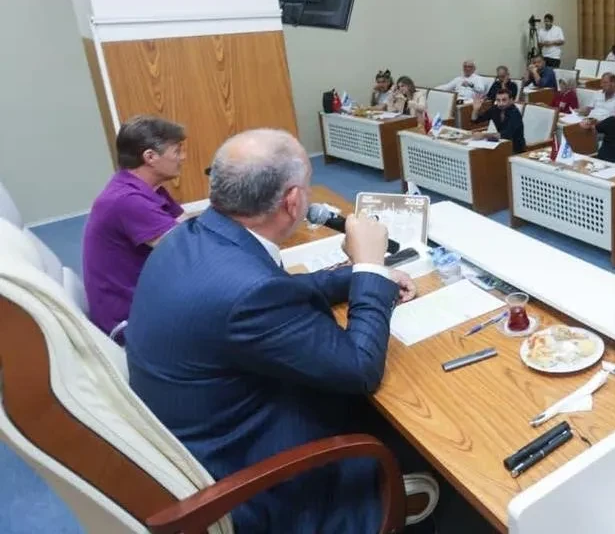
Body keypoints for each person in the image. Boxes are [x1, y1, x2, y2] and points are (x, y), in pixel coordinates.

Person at [127, 129, 431, 532]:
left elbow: (274, 291)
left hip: (210, 432)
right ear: (293, 201)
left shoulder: (191, 237)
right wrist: (371, 266)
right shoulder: (248, 294)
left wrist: (357, 278)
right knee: (418, 428)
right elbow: (360, 369)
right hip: (261, 482)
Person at [83, 116, 188, 338]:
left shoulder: (142, 187)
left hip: (146, 301)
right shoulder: (127, 200)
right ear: (150, 157)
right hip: (131, 323)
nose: (183, 157)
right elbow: (189, 249)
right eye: (177, 151)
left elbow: (186, 225)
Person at [470, 89, 525, 153]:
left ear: (511, 100)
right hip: (501, 144)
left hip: (515, 149)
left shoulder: (515, 113)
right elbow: (475, 120)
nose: (501, 103)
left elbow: (506, 134)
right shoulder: (495, 109)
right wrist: (475, 109)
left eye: (504, 100)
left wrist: (483, 135)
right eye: (498, 100)